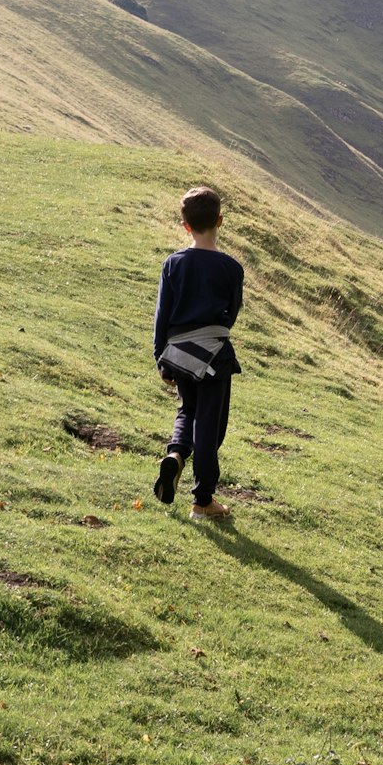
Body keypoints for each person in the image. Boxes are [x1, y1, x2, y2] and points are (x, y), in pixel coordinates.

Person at [152, 186, 243, 522]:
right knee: (210, 425)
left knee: (187, 409)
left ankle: (175, 455)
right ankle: (203, 501)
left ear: (184, 224)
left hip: (178, 353)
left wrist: (161, 356)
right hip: (214, 356)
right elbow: (231, 314)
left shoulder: (173, 264)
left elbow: (163, 314)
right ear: (219, 221)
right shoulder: (231, 268)